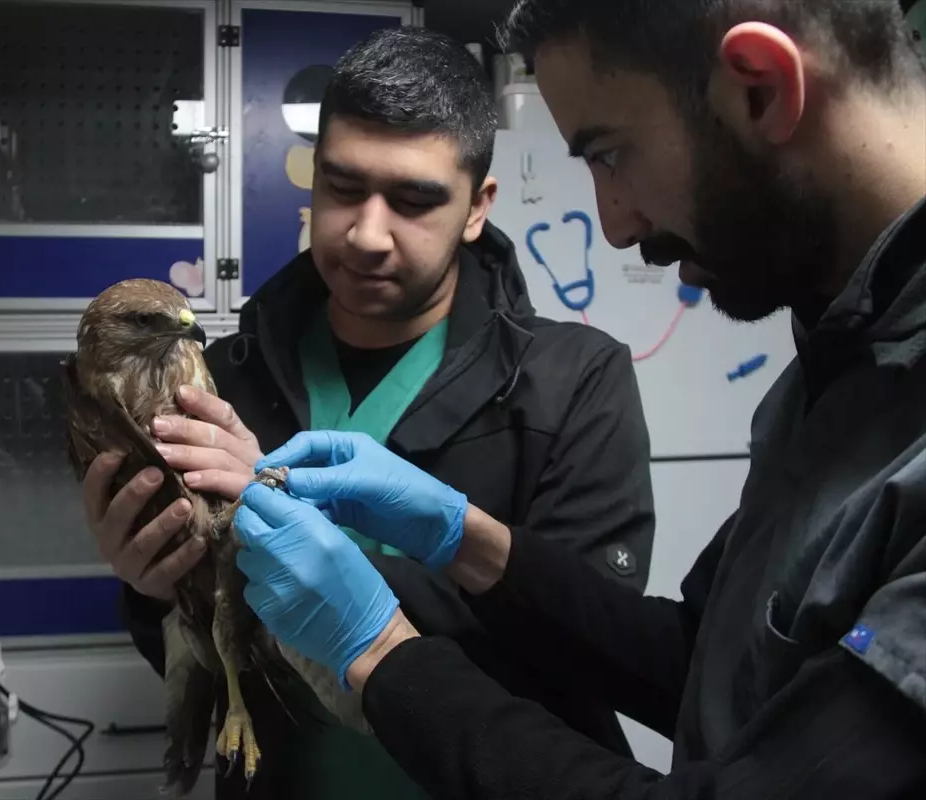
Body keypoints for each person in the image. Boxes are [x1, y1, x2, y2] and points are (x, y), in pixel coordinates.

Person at [229, 0, 926, 797]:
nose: (616, 225)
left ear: (761, 89)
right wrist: (466, 538)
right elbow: (701, 658)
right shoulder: (841, 366)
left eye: (610, 154)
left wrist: (379, 649)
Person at [81, 26, 657, 800]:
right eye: (344, 188)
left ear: (478, 207)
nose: (367, 234)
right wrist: (154, 585)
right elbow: (213, 654)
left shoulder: (574, 382)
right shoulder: (222, 379)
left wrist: (342, 580)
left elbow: (590, 651)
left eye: (415, 200)